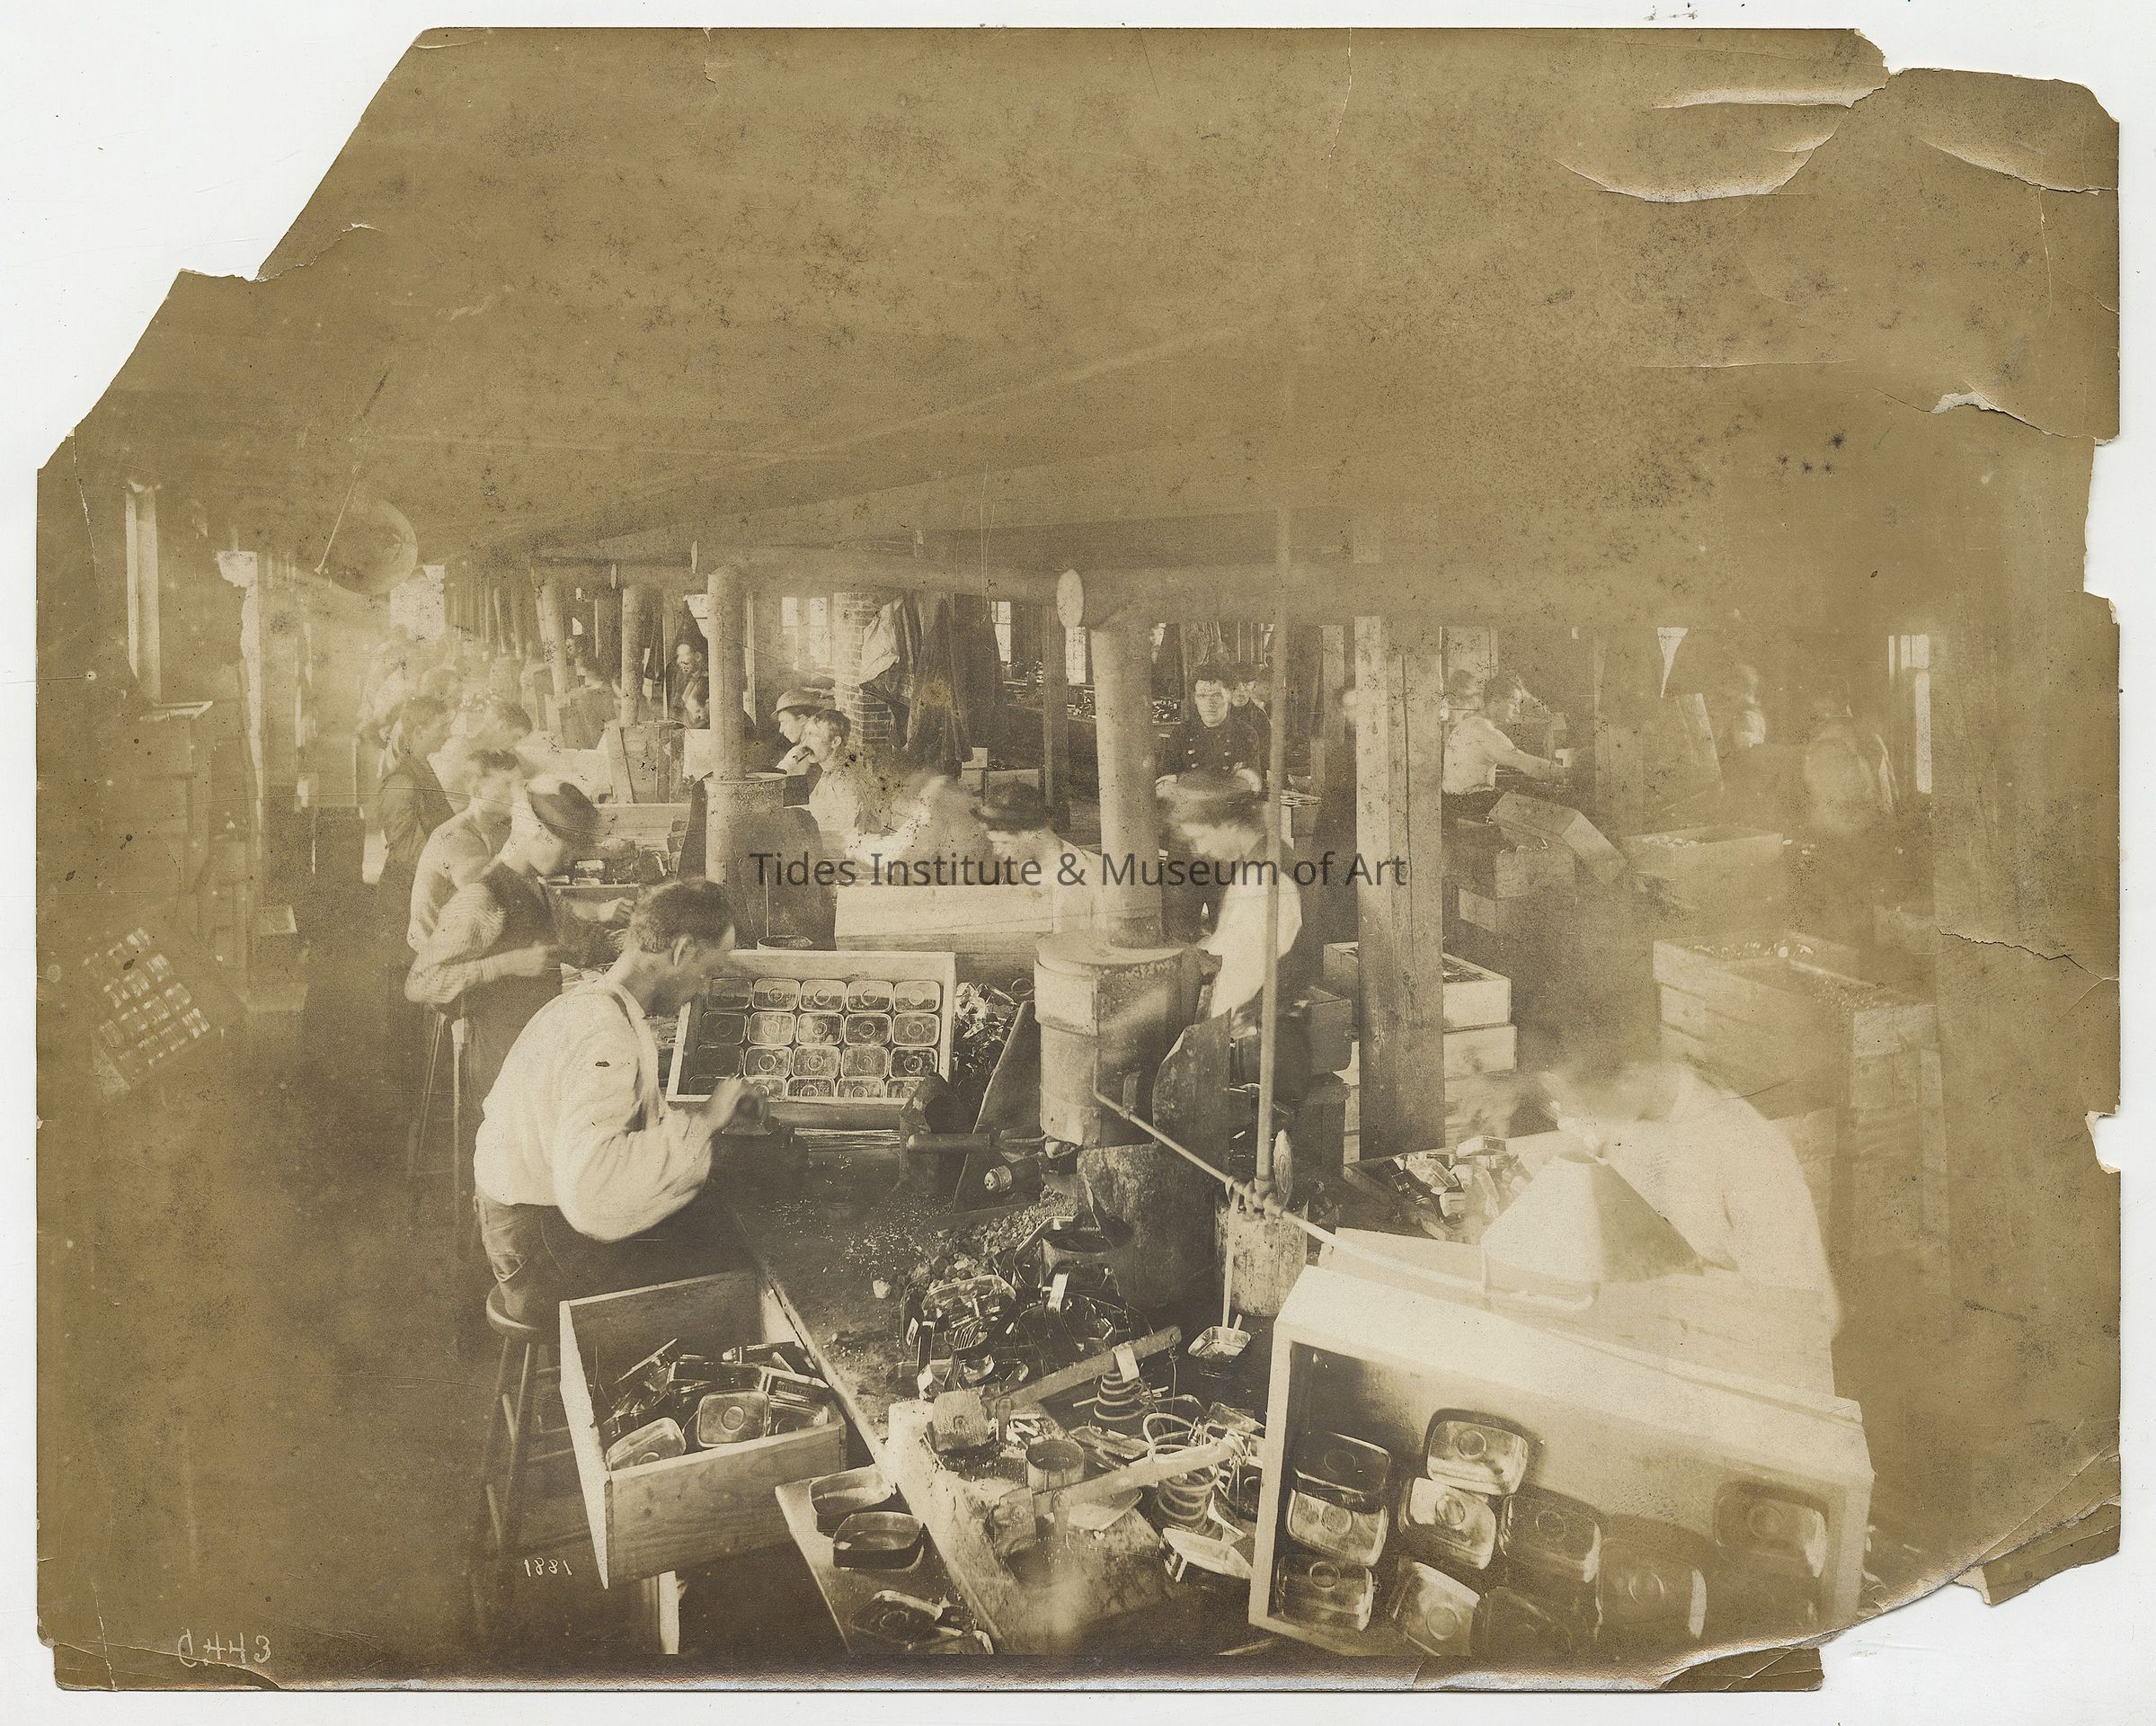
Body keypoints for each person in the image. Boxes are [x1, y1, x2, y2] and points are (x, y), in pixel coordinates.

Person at [472, 879, 753, 1325]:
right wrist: (705, 1120)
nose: (703, 990)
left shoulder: (591, 1003)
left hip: (523, 1231)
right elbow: (593, 1191)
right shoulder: (604, 1034)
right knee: (737, 1263)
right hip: (540, 1258)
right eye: (708, 972)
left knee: (707, 1221)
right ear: (681, 951)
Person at [1541, 1039, 1840, 1330]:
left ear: (1628, 1077)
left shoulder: (1746, 1150)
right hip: (1679, 1307)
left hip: (1761, 1329)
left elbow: (1795, 1306)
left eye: (1586, 1105)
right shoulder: (1639, 1111)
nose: (1574, 1118)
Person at [406, 777, 617, 1103]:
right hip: (500, 1061)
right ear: (539, 834)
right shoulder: (482, 898)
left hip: (533, 1047)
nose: (572, 859)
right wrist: (506, 964)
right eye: (569, 848)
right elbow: (419, 984)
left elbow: (582, 942)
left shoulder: (538, 889)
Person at [1166, 772, 1307, 1022]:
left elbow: (1241, 985)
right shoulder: (1261, 858)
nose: (1200, 850)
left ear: (1230, 824)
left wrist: (1207, 1030)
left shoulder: (1261, 880)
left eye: (1200, 837)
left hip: (1261, 1026)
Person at [407, 748, 521, 951]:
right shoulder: (455, 837)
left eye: (520, 784)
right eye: (508, 784)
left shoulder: (496, 828)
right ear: (478, 791)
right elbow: (497, 899)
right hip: (435, 955)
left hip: (462, 943)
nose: (519, 793)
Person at [377, 695, 456, 944]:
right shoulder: (402, 782)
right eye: (442, 727)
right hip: (405, 900)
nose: (448, 734)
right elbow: (407, 854)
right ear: (420, 731)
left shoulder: (422, 768)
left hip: (424, 887)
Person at [979, 782, 1103, 934]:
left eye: (1004, 842)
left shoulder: (1068, 880)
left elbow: (1067, 943)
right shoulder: (1037, 858)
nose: (996, 851)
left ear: (1030, 832)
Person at [1442, 669, 1560, 818]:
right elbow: (1528, 764)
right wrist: (1567, 772)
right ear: (1496, 700)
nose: (1517, 710)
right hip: (1471, 805)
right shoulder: (1486, 731)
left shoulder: (1467, 724)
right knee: (1541, 812)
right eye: (1513, 703)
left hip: (1454, 803)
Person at [1158, 663, 1263, 788]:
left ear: (1229, 696)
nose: (1209, 703)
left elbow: (1250, 785)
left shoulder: (1245, 733)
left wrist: (1183, 780)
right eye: (1202, 696)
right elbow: (1164, 784)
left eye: (1217, 696)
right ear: (1195, 699)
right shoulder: (1181, 733)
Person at [435, 696, 534, 814]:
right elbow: (440, 796)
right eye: (515, 738)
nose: (514, 745)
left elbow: (530, 771)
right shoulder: (458, 749)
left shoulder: (488, 751)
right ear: (501, 726)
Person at [1230, 661, 1273, 768]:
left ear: (1254, 687)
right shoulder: (1220, 712)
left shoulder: (1259, 717)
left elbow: (1266, 754)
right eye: (1236, 686)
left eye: (1247, 685)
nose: (1241, 691)